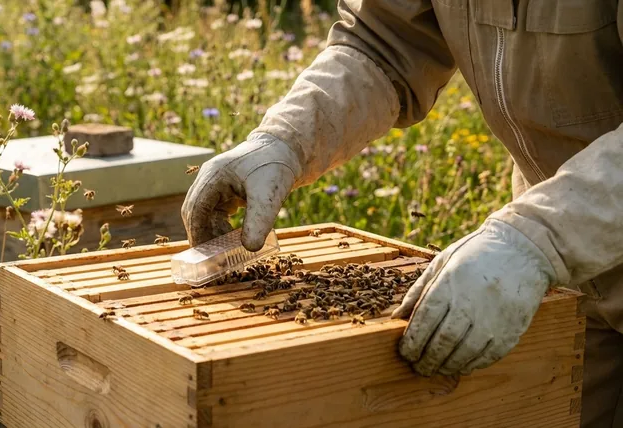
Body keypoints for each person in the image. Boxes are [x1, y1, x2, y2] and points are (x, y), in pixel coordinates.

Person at [181, 1, 623, 426]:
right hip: (557, 281)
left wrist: (542, 237)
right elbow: (384, 41)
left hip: (552, 240)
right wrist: (284, 139)